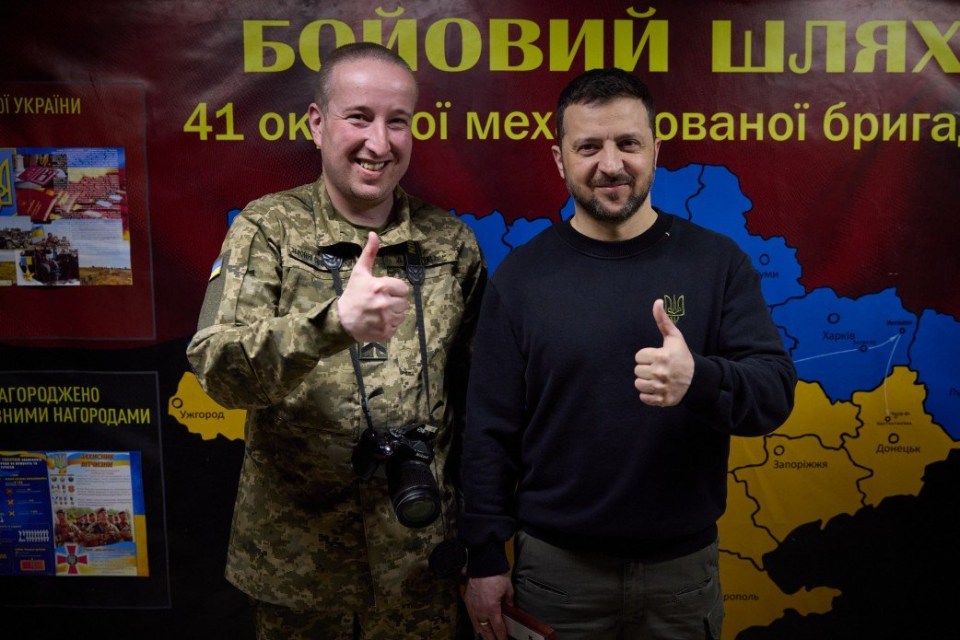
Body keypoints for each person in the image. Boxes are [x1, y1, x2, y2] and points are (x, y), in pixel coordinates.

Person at [459, 68, 797, 640]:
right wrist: (485, 558)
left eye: (628, 144)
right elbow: (488, 431)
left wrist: (699, 380)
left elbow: (774, 395)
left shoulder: (718, 265)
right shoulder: (521, 279)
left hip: (682, 577)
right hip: (555, 577)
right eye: (588, 146)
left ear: (655, 150)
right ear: (560, 159)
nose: (610, 164)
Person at [187, 42, 486, 639]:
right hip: (300, 573)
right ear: (317, 123)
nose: (379, 142)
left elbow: (483, 407)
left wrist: (486, 544)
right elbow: (217, 370)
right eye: (359, 117)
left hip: (418, 567)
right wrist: (330, 326)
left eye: (397, 121)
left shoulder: (451, 245)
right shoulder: (267, 229)